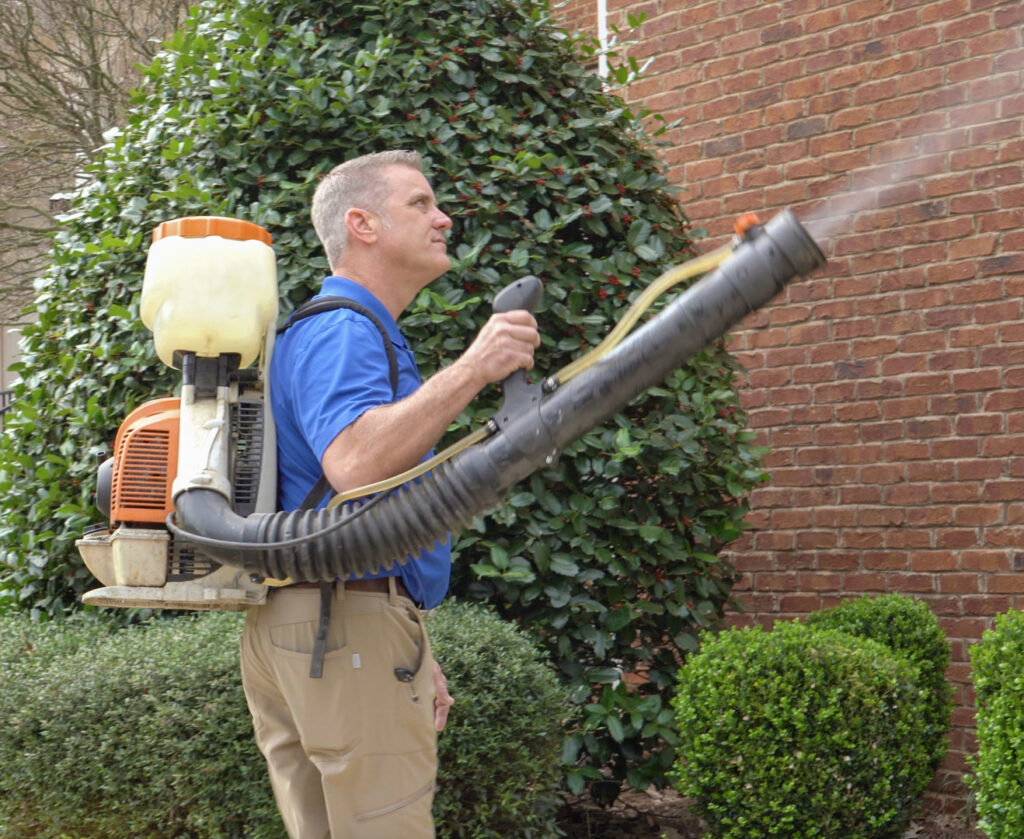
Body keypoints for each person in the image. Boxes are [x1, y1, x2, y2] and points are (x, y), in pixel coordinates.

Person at [239, 149, 540, 839]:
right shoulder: (344, 326)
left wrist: (407, 637)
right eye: (421, 204)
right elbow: (354, 462)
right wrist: (475, 366)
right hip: (340, 627)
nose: (444, 218)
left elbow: (358, 505)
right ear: (362, 224)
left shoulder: (342, 326)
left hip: (321, 619)